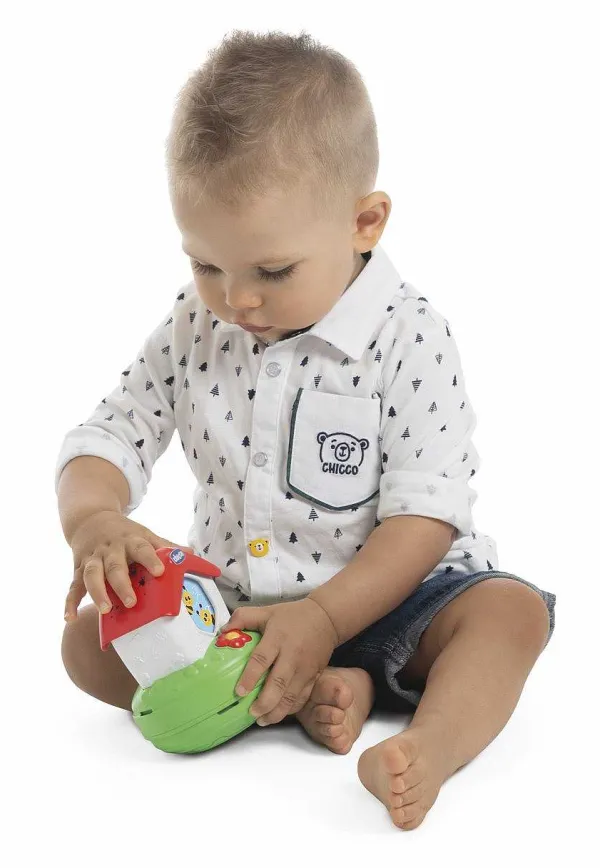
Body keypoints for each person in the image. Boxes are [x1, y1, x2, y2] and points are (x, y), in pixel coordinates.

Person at [57, 29, 556, 832]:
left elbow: (425, 518)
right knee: (86, 646)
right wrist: (94, 519)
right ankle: (303, 689)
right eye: (206, 264)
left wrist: (325, 619)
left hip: (396, 603)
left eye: (272, 271)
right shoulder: (196, 326)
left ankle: (427, 745)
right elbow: (111, 431)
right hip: (235, 616)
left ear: (365, 223)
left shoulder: (410, 337)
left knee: (509, 614)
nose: (236, 300)